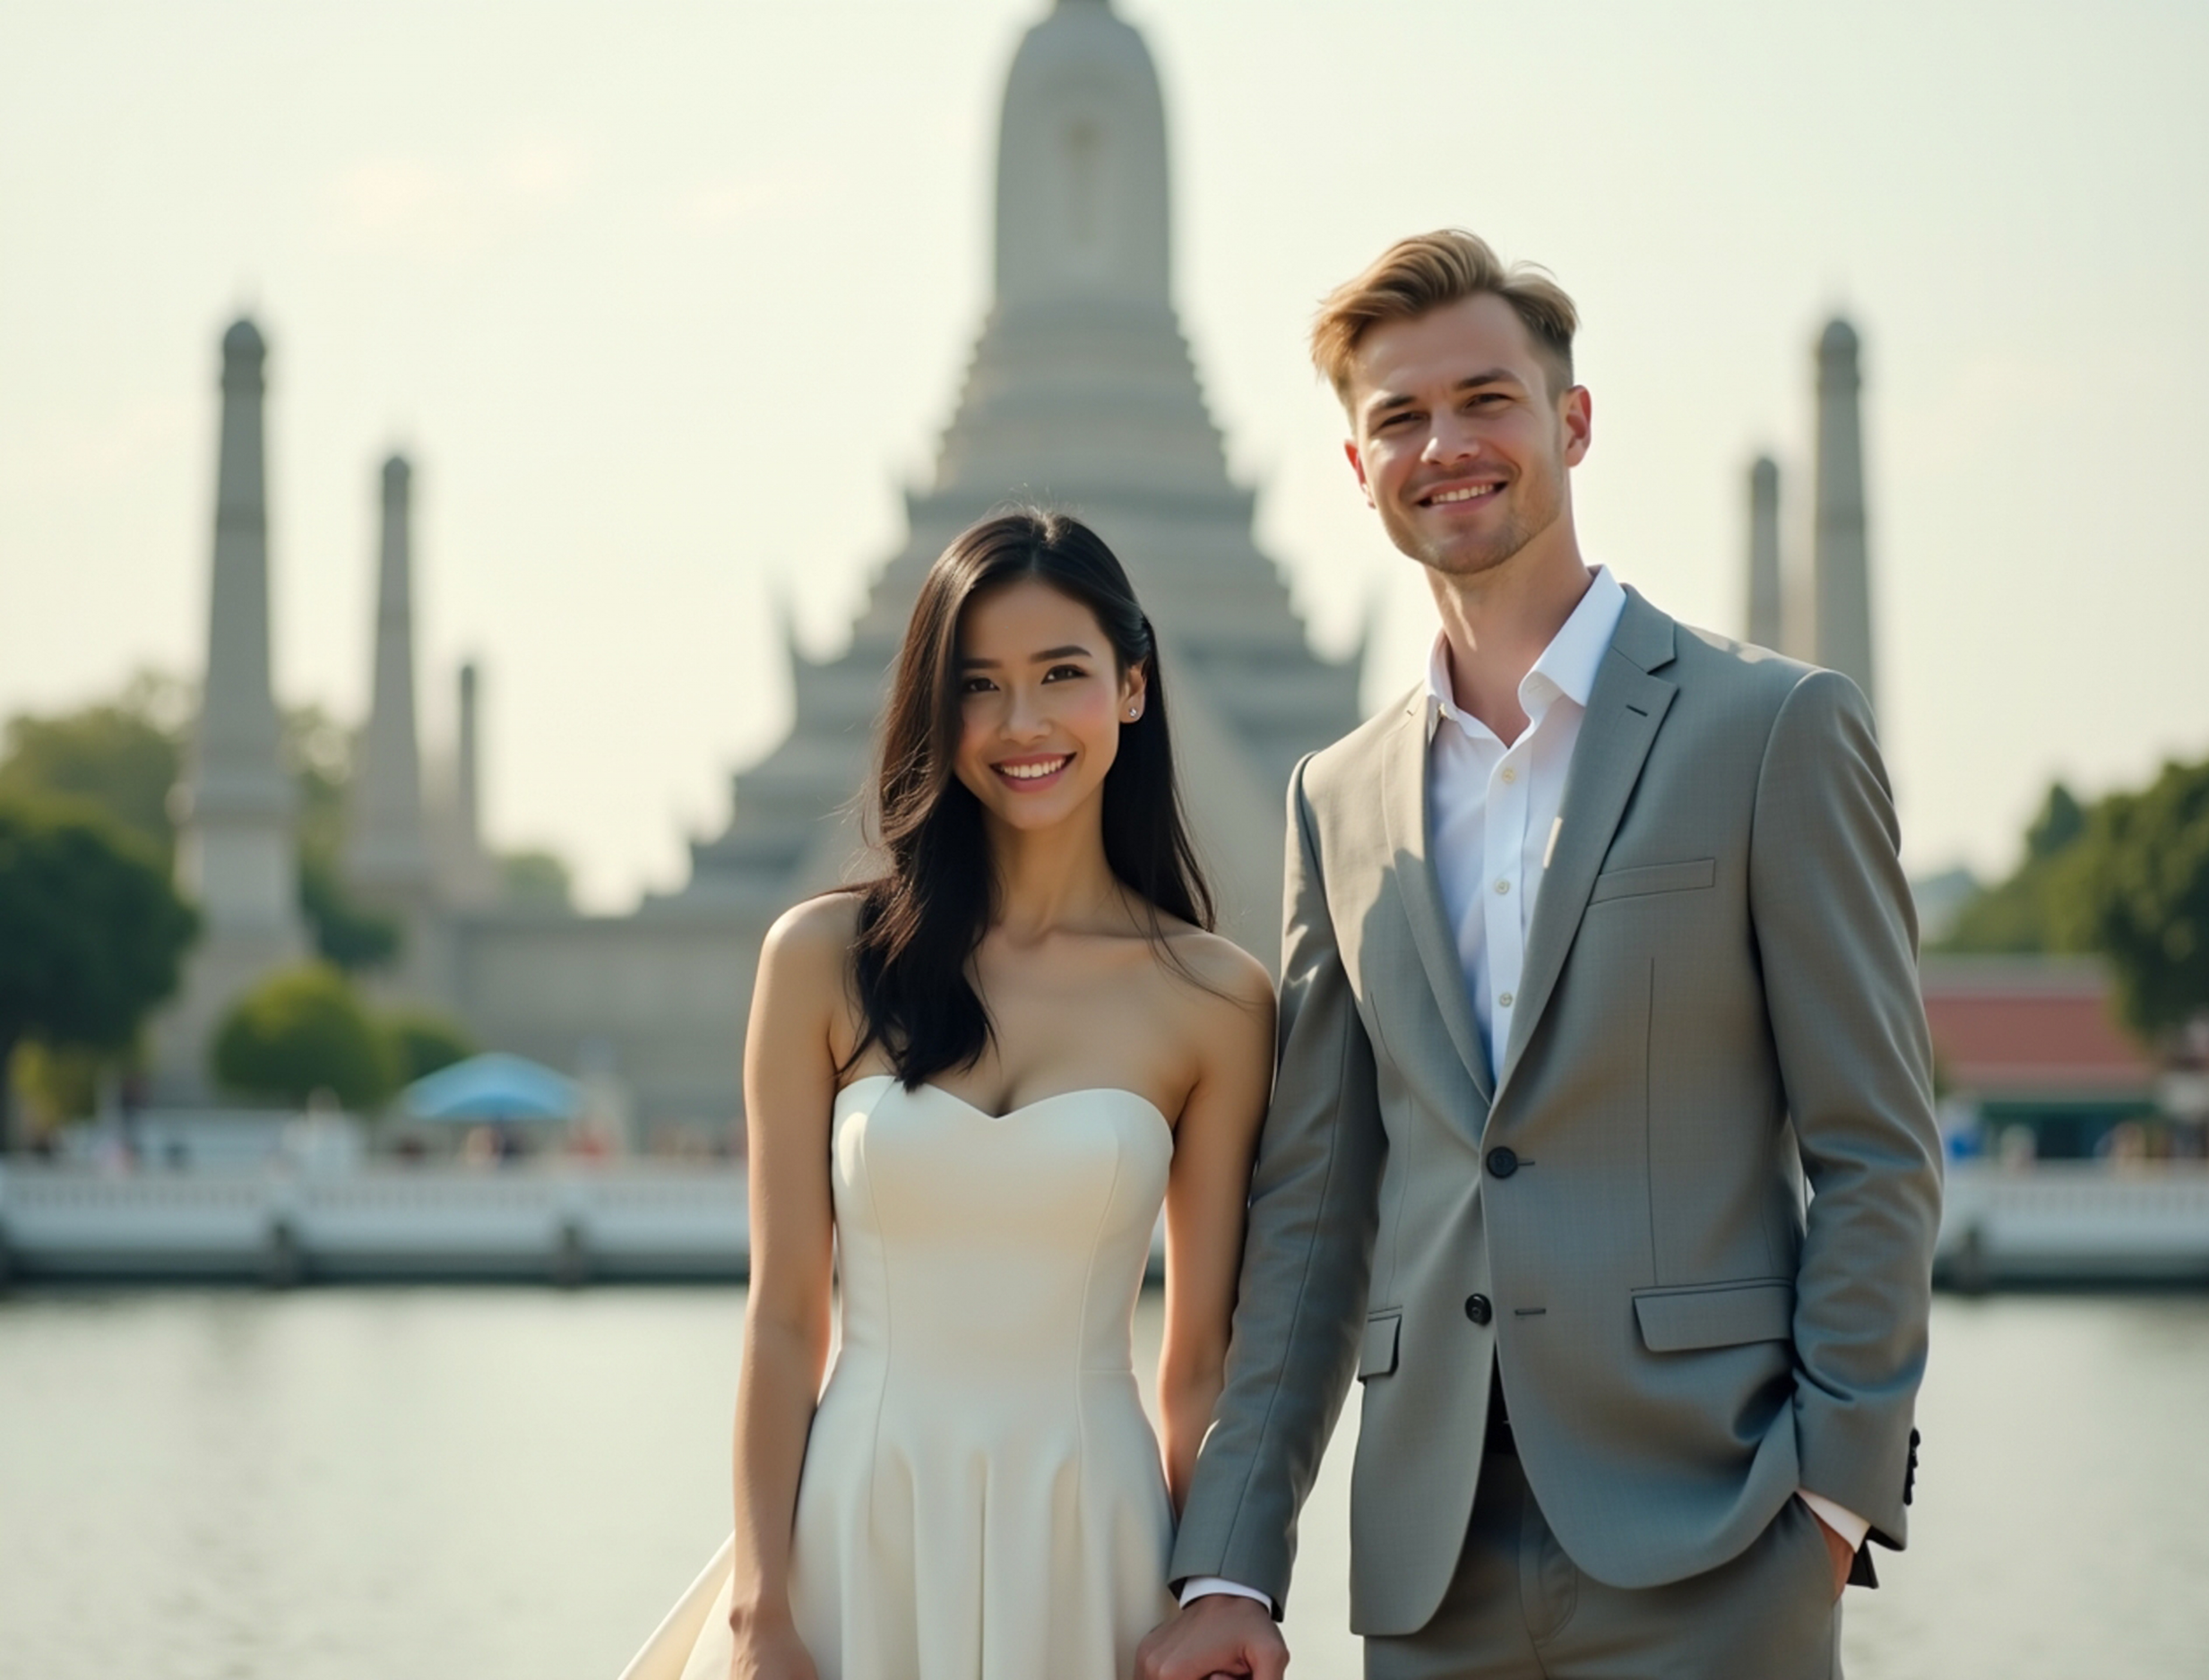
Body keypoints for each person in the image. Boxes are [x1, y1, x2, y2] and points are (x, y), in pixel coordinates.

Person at [1137, 230, 1943, 1679]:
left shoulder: (1771, 732)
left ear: (1572, 422)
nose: (1446, 444)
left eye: (1487, 398)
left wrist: (1832, 1500)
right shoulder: (1340, 797)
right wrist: (1233, 1569)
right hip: (1431, 1575)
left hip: (1719, 1542)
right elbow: (1315, 1221)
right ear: (1356, 466)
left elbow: (1880, 1149)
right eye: (1400, 417)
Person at [618, 511, 1274, 1680]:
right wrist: (762, 1609)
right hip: (858, 1521)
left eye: (1060, 675)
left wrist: (1213, 1591)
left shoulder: (1216, 998)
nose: (1021, 724)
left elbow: (1197, 1364)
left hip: (1098, 1532)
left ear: (1131, 686)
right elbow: (782, 1321)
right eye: (979, 686)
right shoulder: (821, 958)